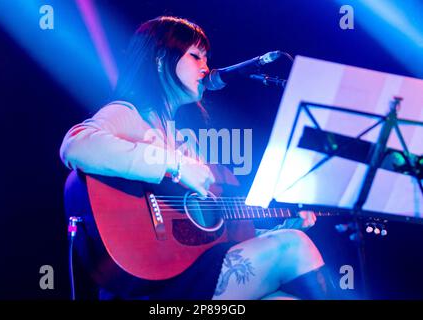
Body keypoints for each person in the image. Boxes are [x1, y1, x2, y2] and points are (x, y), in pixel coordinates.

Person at [60, 16, 335, 300]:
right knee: (294, 245)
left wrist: (280, 224)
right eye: (195, 56)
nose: (206, 68)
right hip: (152, 286)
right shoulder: (128, 114)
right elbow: (76, 145)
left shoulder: (180, 142)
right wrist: (174, 165)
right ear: (160, 59)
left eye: (206, 59)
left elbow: (216, 233)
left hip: (185, 271)